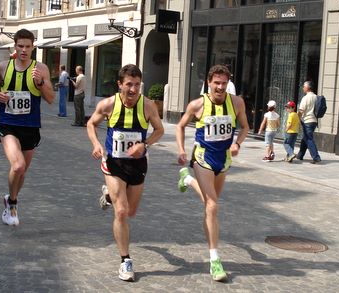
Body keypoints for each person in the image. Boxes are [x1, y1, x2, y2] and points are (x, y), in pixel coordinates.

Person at [86, 64, 164, 282]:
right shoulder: (108, 104)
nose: (133, 89)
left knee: (130, 212)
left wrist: (145, 144)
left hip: (137, 165)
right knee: (121, 212)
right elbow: (91, 124)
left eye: (137, 85)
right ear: (119, 84)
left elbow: (160, 130)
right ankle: (125, 260)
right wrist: (96, 144)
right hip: (113, 164)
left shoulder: (147, 106)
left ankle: (108, 195)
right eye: (129, 84)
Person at [176, 64, 249, 282]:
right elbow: (180, 126)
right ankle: (214, 259)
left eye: (224, 83)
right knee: (213, 205)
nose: (220, 87)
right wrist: (181, 149)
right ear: (209, 83)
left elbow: (245, 127)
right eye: (216, 83)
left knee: (210, 206)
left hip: (223, 160)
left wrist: (238, 143)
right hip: (203, 158)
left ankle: (187, 180)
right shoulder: (197, 105)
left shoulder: (236, 103)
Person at [0, 29, 55, 226]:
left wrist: (40, 83)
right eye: (20, 46)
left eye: (27, 46)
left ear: (33, 47)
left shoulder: (41, 69)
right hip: (8, 124)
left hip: (31, 126)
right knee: (17, 165)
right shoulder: (3, 67)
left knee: (22, 170)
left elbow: (50, 99)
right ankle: (13, 205)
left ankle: (10, 198)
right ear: (14, 47)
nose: (24, 50)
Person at [297, 81, 321, 164]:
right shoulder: (316, 97)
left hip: (307, 121)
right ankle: (300, 155)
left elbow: (301, 110)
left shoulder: (306, 98)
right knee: (305, 138)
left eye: (304, 86)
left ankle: (316, 157)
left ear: (307, 88)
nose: (303, 87)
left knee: (309, 139)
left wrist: (297, 119)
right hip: (314, 121)